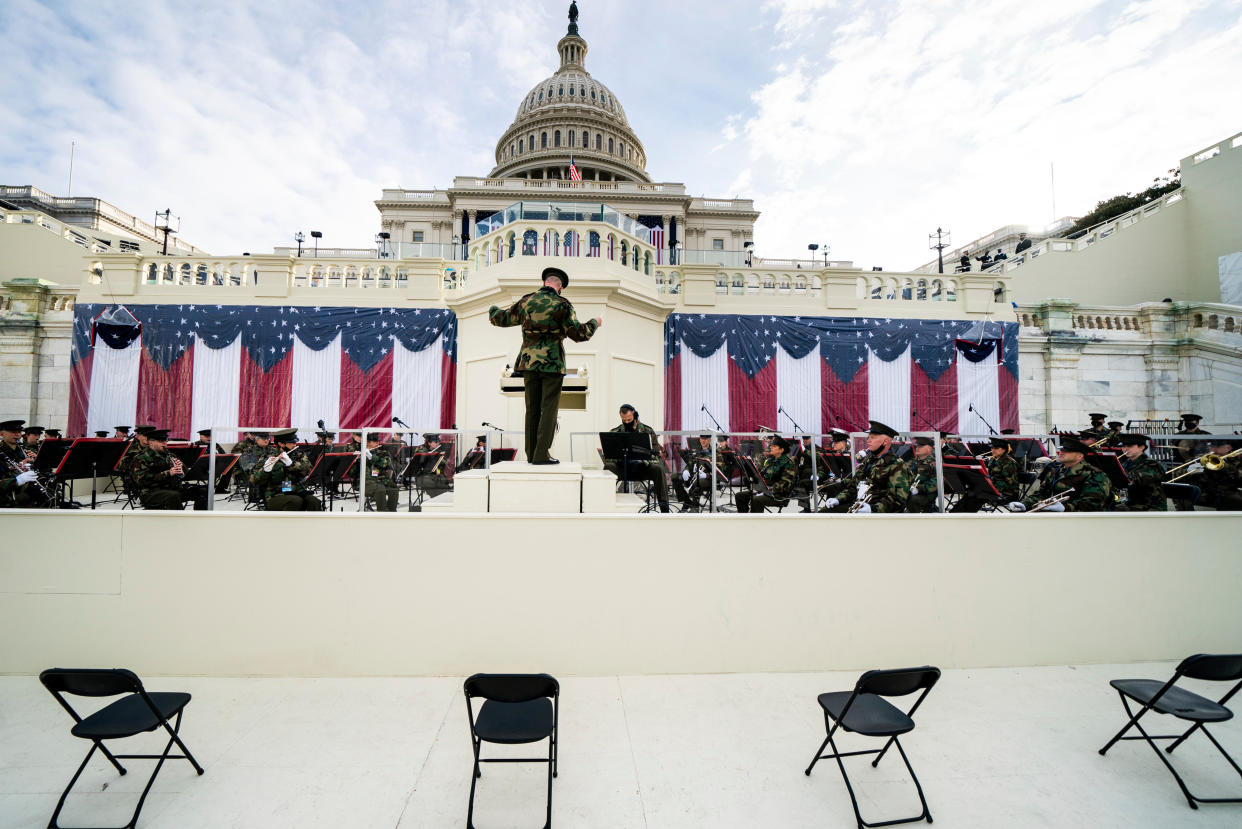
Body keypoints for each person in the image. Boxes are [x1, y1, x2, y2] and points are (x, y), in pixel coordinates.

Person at [489, 266, 601, 464]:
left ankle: (531, 454)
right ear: (560, 288)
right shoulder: (563, 305)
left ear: (543, 283)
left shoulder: (527, 301)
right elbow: (580, 334)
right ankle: (542, 455)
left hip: (529, 364)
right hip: (552, 364)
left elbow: (501, 319)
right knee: (548, 409)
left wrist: (492, 309)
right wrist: (595, 322)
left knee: (532, 409)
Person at [820, 421, 912, 513]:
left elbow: (897, 499)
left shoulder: (897, 465)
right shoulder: (868, 461)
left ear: (885, 441)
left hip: (879, 513)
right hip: (858, 505)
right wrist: (838, 499)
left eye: (873, 438)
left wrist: (872, 509)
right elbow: (853, 488)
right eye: (868, 437)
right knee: (825, 512)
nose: (868, 441)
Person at [1009, 437, 1110, 512]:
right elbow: (1041, 494)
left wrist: (1064, 508)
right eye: (1061, 450)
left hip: (1080, 523)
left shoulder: (1095, 474)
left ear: (1080, 456)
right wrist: (1024, 504)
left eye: (1067, 451)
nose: (1061, 453)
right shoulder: (1055, 471)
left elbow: (1092, 504)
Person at [607, 404, 673, 512]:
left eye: (629, 419)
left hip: (642, 468)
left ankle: (664, 507)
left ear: (635, 416)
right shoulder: (615, 432)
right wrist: (618, 459)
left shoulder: (647, 431)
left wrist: (643, 459)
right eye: (624, 420)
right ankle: (605, 504)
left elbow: (656, 454)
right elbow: (608, 455)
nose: (627, 422)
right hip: (623, 469)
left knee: (658, 469)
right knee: (608, 467)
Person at [130, 429, 207, 510]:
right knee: (174, 496)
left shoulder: (170, 455)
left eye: (165, 440)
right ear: (151, 442)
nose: (164, 443)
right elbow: (141, 480)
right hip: (151, 492)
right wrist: (168, 473)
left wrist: (182, 469)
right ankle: (178, 520)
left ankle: (201, 518)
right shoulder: (140, 458)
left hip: (173, 488)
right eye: (160, 440)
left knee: (202, 491)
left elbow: (185, 475)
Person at [250, 428, 322, 511]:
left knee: (314, 501)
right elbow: (253, 480)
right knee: (295, 501)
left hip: (297, 491)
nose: (295, 445)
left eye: (295, 442)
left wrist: (291, 464)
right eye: (292, 443)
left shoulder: (299, 454)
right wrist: (265, 470)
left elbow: (309, 470)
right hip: (275, 495)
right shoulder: (268, 456)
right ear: (281, 444)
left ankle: (312, 524)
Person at [952, 437, 1020, 512]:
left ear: (1004, 449)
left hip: (1006, 492)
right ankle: (956, 513)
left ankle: (966, 515)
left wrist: (989, 486)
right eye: (992, 448)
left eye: (996, 448)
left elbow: (1009, 483)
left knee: (979, 495)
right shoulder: (993, 460)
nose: (993, 450)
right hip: (992, 488)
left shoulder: (1009, 463)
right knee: (971, 492)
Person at [734, 435, 797, 513]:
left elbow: (785, 483)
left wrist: (767, 490)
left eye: (774, 446)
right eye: (771, 446)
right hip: (764, 490)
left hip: (778, 494)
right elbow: (761, 475)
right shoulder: (770, 461)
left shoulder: (789, 463)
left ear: (781, 450)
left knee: (756, 499)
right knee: (739, 496)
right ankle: (745, 518)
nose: (771, 447)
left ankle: (756, 522)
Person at [1180, 437, 1242, 511]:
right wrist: (1187, 471)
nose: (1212, 449)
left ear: (1228, 448)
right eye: (1211, 446)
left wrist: (1225, 466)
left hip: (1226, 494)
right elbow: (1176, 475)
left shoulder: (1235, 460)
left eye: (1216, 447)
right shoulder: (1201, 458)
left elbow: (1239, 478)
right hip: (1202, 493)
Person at [1116, 434, 1167, 511]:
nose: (1125, 449)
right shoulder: (1125, 463)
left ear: (1141, 447)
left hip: (1149, 506)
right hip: (1131, 503)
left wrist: (1117, 474)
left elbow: (1137, 480)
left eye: (1130, 446)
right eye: (1123, 446)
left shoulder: (1152, 464)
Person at [2, 419, 44, 508]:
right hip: (8, 499)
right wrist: (18, 479)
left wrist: (36, 463)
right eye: (13, 432)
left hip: (28, 494)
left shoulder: (23, 450)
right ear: (2, 434)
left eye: (19, 432)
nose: (17, 435)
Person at [360, 432, 400, 512]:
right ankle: (382, 512)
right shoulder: (360, 452)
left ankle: (392, 512)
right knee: (380, 489)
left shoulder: (382, 452)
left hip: (380, 480)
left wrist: (372, 457)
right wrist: (362, 456)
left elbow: (385, 464)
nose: (377, 443)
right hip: (366, 482)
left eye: (378, 441)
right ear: (367, 442)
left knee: (394, 489)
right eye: (375, 441)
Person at [412, 432, 451, 505]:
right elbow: (418, 462)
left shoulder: (438, 450)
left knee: (443, 484)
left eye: (438, 441)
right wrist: (431, 454)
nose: (437, 443)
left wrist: (442, 458)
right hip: (422, 475)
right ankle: (437, 502)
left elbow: (441, 466)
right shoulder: (420, 449)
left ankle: (444, 502)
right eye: (435, 442)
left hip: (435, 474)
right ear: (429, 443)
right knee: (431, 485)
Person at [905, 436, 940, 512]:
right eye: (917, 446)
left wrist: (917, 488)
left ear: (929, 448)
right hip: (912, 490)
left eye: (920, 446)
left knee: (913, 500)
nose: (917, 448)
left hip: (926, 494)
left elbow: (934, 485)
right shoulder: (913, 461)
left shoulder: (935, 463)